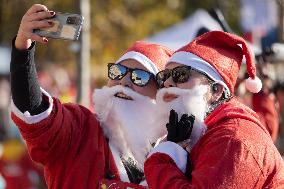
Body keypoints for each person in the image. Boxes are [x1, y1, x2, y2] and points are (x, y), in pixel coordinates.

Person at [10, 4, 173, 189]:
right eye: (118, 72)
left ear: (161, 93)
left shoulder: (175, 153)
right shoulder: (80, 128)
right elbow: (34, 113)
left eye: (140, 77)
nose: (124, 82)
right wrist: (23, 49)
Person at [144, 31, 284, 188]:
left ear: (216, 90)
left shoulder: (234, 139)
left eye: (180, 74)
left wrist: (161, 160)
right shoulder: (204, 129)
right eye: (165, 76)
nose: (167, 83)